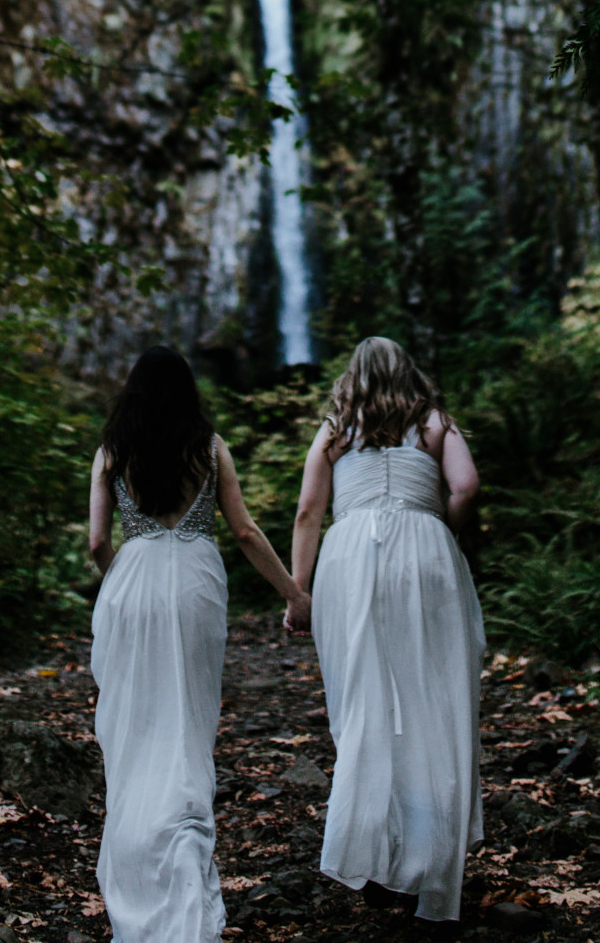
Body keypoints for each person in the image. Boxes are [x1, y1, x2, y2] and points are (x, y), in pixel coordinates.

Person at [89, 345, 311, 943]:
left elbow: (95, 543)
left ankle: (138, 859)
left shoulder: (112, 451)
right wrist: (294, 596)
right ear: (188, 391)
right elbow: (242, 529)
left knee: (134, 726)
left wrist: (123, 586)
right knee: (188, 721)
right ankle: (185, 855)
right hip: (195, 582)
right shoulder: (210, 448)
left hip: (130, 583)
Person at [287, 335, 485, 925]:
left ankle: (375, 851)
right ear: (408, 372)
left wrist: (300, 593)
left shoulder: (334, 431)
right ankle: (430, 854)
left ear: (353, 376)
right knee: (434, 698)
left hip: (351, 560)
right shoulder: (434, 423)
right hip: (424, 553)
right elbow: (468, 486)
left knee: (363, 704)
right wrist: (434, 525)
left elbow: (307, 513)